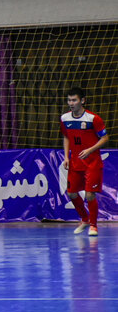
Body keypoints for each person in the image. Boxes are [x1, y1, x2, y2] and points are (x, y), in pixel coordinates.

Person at [60, 87, 109, 236]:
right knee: (72, 194)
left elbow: (105, 138)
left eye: (74, 100)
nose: (71, 103)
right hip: (75, 163)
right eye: (69, 100)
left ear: (82, 101)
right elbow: (67, 137)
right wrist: (66, 157)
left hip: (92, 163)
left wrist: (90, 150)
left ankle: (94, 226)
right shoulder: (64, 118)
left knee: (89, 195)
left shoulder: (93, 119)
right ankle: (85, 219)